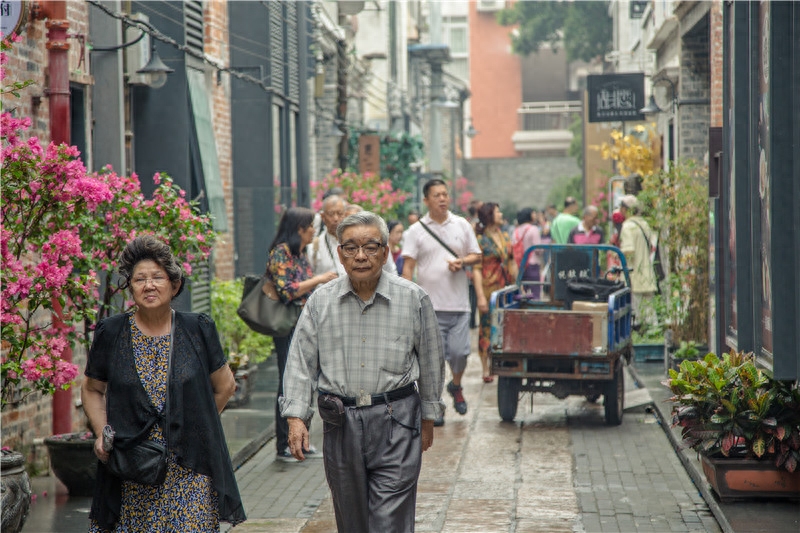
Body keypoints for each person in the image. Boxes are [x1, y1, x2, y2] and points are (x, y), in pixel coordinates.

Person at [280, 211, 445, 532]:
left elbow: (431, 360)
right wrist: (296, 417)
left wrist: (428, 416)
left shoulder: (413, 298)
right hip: (341, 423)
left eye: (370, 247)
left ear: (385, 252)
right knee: (351, 519)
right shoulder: (320, 302)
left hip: (397, 420)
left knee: (389, 521)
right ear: (339, 253)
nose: (360, 256)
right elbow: (300, 360)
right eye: (351, 247)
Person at [82, 235, 246, 532]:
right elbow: (93, 389)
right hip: (133, 468)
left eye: (157, 277)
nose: (149, 285)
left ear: (174, 283)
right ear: (130, 287)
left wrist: (196, 424)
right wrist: (100, 432)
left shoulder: (198, 328)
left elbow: (226, 386)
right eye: (139, 279)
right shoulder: (112, 331)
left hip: (190, 468)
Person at [402, 178, 481, 425]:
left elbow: (477, 255)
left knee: (460, 354)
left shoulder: (461, 225)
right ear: (426, 200)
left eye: (445, 194)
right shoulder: (415, 231)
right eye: (437, 195)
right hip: (429, 308)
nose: (443, 199)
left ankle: (455, 386)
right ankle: (435, 405)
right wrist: (406, 301)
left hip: (458, 305)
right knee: (432, 360)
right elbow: (408, 267)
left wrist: (463, 262)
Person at [267, 207, 338, 461]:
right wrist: (318, 279)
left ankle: (301, 441)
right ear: (299, 228)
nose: (312, 231)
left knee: (306, 381)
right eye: (310, 226)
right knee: (289, 383)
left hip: (303, 325)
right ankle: (283, 445)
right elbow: (287, 290)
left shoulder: (299, 252)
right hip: (287, 327)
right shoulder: (281, 253)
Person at [473, 202, 517, 383]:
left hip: (505, 289)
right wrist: (480, 296)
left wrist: (516, 283)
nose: (501, 214)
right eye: (497, 212)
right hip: (488, 289)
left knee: (505, 326)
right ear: (489, 216)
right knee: (486, 329)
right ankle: (486, 367)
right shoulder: (480, 240)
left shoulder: (505, 236)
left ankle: (501, 362)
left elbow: (512, 260)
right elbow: (476, 269)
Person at [308, 196, 398, 277]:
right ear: (323, 217)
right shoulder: (315, 246)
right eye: (331, 214)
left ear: (345, 215)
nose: (335, 219)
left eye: (339, 213)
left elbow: (390, 271)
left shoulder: (373, 240)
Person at [618, 195, 658, 327]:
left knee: (637, 315)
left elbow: (629, 251)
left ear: (626, 209)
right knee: (650, 313)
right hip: (647, 274)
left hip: (634, 275)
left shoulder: (628, 226)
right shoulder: (644, 224)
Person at [512, 207, 544, 299]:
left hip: (520, 265)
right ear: (529, 215)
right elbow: (538, 249)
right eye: (534, 213)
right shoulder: (533, 229)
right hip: (532, 264)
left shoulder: (516, 231)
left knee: (522, 291)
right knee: (535, 292)